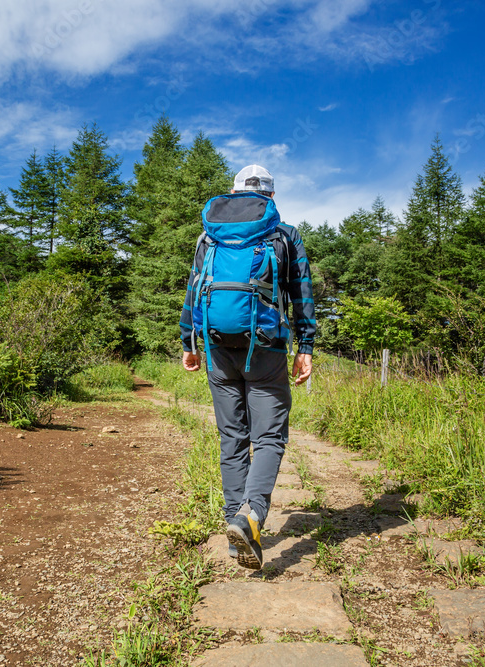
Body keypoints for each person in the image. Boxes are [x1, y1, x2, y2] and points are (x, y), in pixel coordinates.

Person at [178, 164, 316, 569]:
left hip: (218, 345)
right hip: (267, 347)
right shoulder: (285, 234)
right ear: (270, 196)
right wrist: (305, 346)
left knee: (231, 437)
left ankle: (231, 528)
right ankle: (251, 516)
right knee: (269, 437)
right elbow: (300, 291)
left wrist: (189, 340)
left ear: (234, 192)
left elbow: (193, 287)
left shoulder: (210, 234)